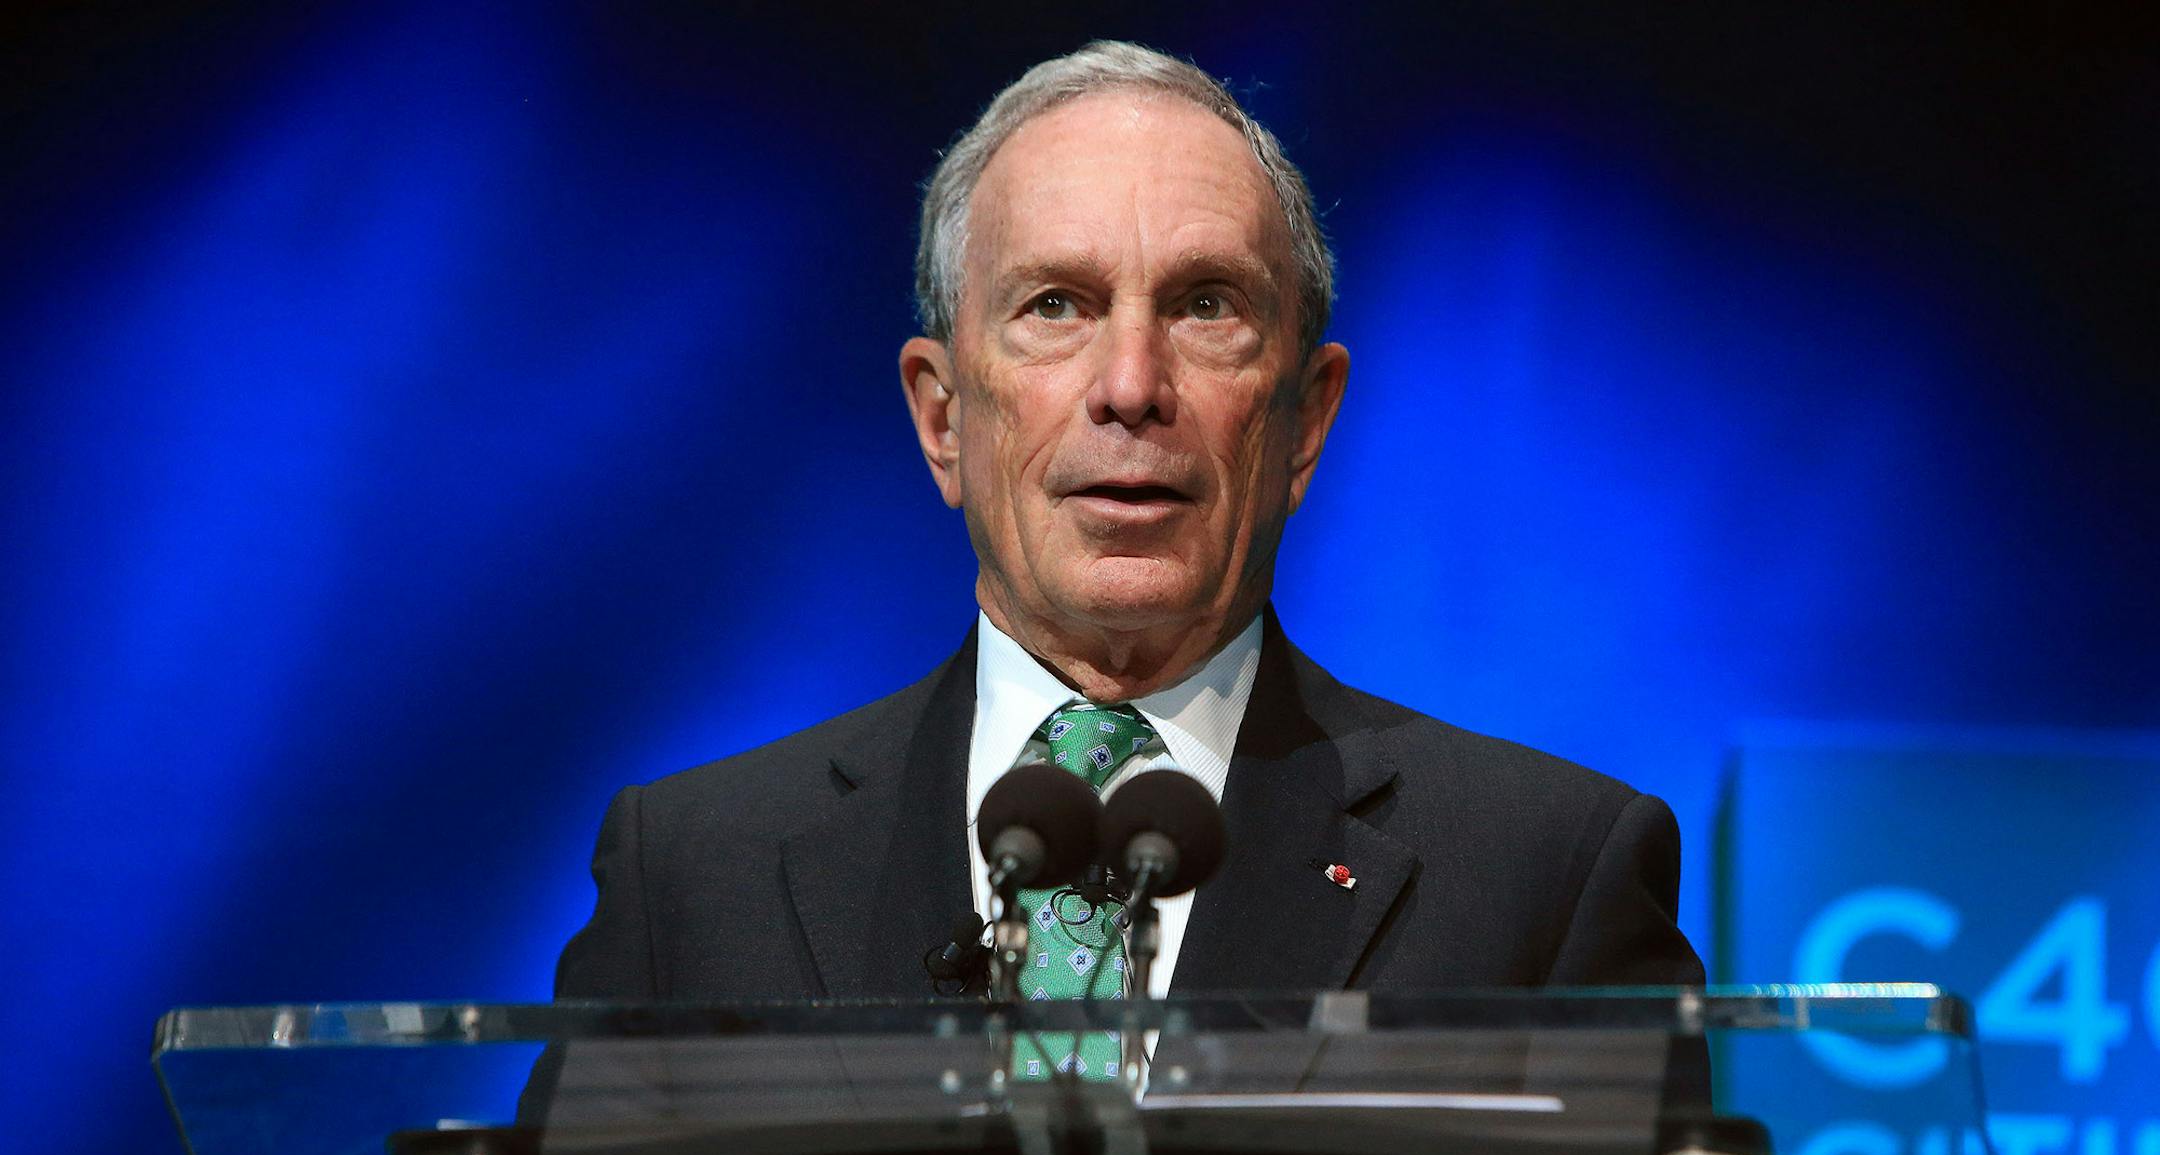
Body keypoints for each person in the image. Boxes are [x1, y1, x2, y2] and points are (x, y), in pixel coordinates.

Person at [552, 41, 1703, 1012]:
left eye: (1207, 306)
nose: (1132, 384)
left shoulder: (1545, 876)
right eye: (1058, 305)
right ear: (942, 417)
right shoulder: (696, 875)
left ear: (1304, 422)